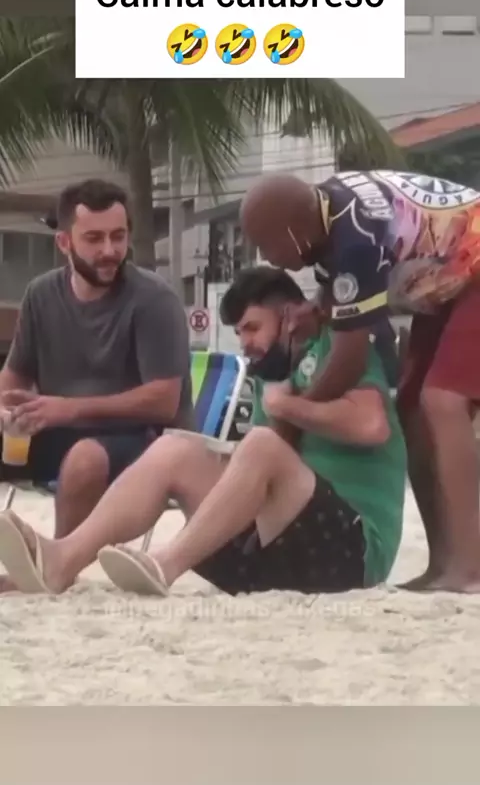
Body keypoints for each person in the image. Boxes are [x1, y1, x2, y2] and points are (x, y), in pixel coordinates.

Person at [0, 266, 406, 598]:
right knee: (174, 449)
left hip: (353, 553)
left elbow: (372, 425)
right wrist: (278, 406)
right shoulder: (271, 379)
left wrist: (287, 407)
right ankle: (61, 561)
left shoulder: (339, 348)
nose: (245, 344)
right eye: (240, 333)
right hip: (280, 553)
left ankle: (165, 564)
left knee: (260, 444)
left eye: (252, 328)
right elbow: (272, 469)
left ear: (287, 317)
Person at [240, 169, 480, 593]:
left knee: (443, 401)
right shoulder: (326, 220)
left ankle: (471, 566)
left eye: (267, 244)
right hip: (448, 281)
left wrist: (296, 413)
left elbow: (348, 360)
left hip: (471, 267)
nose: (267, 258)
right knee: (411, 409)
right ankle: (443, 562)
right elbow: (350, 296)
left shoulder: (356, 239)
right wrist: (319, 308)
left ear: (293, 231)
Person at [0, 178, 193, 567]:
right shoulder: (40, 294)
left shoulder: (153, 299)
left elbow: (163, 401)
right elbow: (15, 375)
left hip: (140, 441)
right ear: (64, 242)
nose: (109, 250)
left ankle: (56, 567)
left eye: (118, 236)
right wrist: (6, 410)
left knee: (85, 457)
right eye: (94, 238)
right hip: (55, 433)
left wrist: (68, 408)